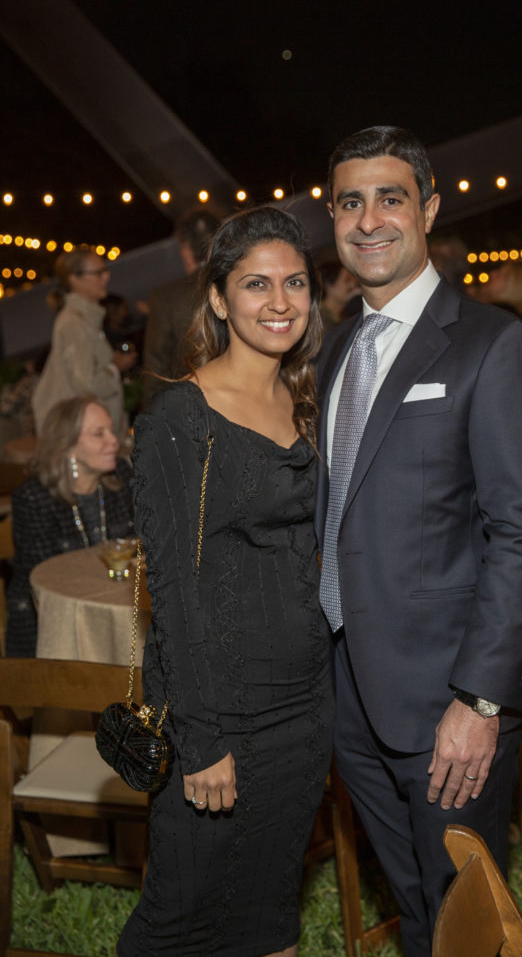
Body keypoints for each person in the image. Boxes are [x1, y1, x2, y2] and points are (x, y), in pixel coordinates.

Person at [316, 126, 522, 957]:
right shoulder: (337, 345)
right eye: (351, 200)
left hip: (447, 701)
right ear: (333, 217)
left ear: (428, 209)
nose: (369, 218)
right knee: (415, 902)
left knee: (465, 917)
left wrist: (482, 699)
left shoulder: (494, 346)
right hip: (349, 685)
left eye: (391, 197)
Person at [118, 207, 333, 957]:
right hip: (222, 714)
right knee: (175, 923)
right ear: (217, 298)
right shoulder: (179, 417)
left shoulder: (307, 405)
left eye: (295, 283)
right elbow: (174, 594)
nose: (279, 302)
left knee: (271, 907)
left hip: (305, 708)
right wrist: (201, 738)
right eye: (256, 285)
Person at [5, 395, 133, 657]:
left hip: (119, 607)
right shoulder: (34, 497)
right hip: (53, 620)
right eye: (99, 434)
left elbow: (146, 541)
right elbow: (46, 578)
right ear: (67, 445)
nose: (114, 441)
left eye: (111, 430)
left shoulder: (120, 475)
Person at [31, 249, 136, 437]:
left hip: (87, 431)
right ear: (74, 279)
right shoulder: (74, 322)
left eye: (106, 272)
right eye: (98, 273)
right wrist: (115, 367)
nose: (105, 278)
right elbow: (85, 385)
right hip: (80, 434)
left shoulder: (86, 318)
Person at [142, 207, 222, 407]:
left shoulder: (166, 298)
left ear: (185, 249)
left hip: (191, 413)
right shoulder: (243, 286)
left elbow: (156, 370)